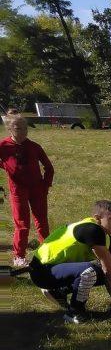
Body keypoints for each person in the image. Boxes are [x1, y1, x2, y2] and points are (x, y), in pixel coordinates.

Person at [27, 200, 111, 324]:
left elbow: (109, 273)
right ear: (98, 218)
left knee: (99, 272)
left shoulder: (108, 241)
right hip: (41, 271)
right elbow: (110, 268)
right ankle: (74, 312)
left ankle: (58, 291)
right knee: (90, 271)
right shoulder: (92, 230)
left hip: (57, 270)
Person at [0, 113, 53, 269]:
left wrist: (45, 185)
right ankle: (19, 256)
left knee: (42, 222)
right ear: (10, 129)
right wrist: (7, 168)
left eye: (24, 128)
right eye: (18, 128)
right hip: (18, 190)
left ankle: (47, 253)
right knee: (22, 224)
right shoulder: (3, 146)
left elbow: (49, 168)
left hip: (37, 189)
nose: (22, 132)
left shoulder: (34, 146)